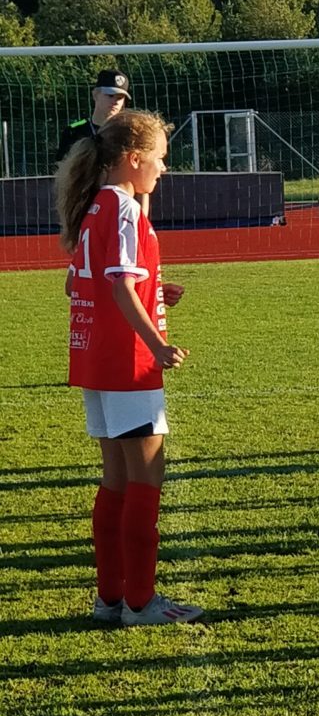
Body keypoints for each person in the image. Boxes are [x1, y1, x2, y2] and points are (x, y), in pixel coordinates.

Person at [55, 109, 202, 626]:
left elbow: (88, 285)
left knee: (116, 478)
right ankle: (141, 601)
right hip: (127, 363)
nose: (164, 168)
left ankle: (110, 598)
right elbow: (117, 284)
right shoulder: (122, 208)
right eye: (160, 158)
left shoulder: (96, 205)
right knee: (146, 477)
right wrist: (157, 342)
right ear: (134, 159)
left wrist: (153, 294)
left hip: (96, 356)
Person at [55, 68, 133, 164]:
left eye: (120, 98)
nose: (115, 102)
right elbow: (61, 168)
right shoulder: (74, 132)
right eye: (110, 95)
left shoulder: (127, 133)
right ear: (95, 95)